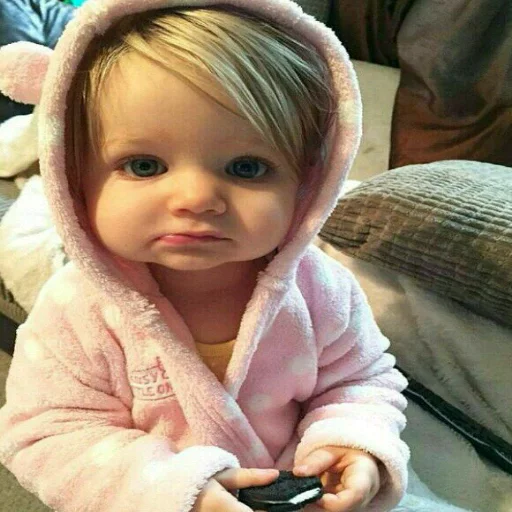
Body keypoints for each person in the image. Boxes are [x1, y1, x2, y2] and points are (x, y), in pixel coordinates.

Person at [0, 0, 410, 511]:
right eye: (144, 165)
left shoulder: (320, 290)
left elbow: (359, 381)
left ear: (307, 183)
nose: (196, 198)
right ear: (75, 177)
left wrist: (353, 442)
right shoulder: (76, 310)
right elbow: (47, 432)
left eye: (246, 167)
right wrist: (173, 490)